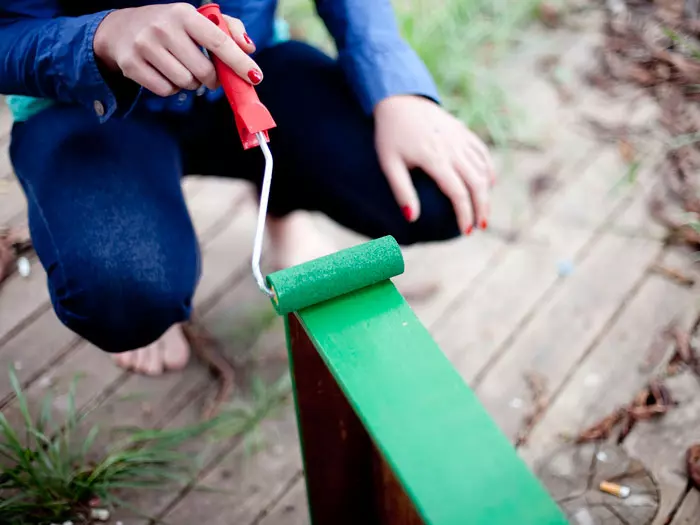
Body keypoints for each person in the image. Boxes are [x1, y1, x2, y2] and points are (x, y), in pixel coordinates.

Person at [0, 1, 495, 376]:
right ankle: (148, 278)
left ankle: (280, 207)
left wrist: (395, 88)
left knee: (434, 195)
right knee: (124, 298)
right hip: (87, 101)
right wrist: (98, 38)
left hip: (249, 68)